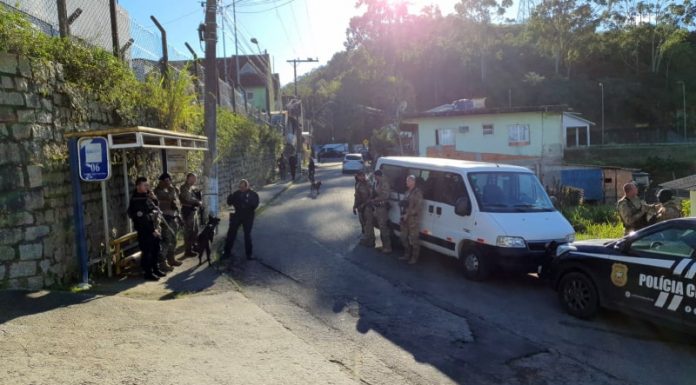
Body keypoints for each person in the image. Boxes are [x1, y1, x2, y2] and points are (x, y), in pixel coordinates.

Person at [128, 177, 165, 281]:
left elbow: (155, 208)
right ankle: (148, 273)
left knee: (156, 250)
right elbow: (143, 219)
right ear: (138, 186)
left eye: (147, 185)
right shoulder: (136, 200)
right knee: (147, 252)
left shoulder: (146, 197)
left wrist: (154, 198)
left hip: (153, 228)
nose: (147, 187)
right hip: (145, 231)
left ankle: (155, 268)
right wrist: (152, 231)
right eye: (145, 185)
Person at [223, 179, 260, 260]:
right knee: (231, 233)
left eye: (243, 187)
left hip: (248, 216)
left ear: (247, 186)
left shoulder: (253, 194)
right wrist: (229, 197)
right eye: (240, 187)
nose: (241, 189)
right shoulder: (236, 193)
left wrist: (246, 201)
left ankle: (249, 254)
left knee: (247, 235)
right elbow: (229, 203)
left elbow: (255, 205)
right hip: (237, 215)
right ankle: (226, 252)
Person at [154, 172, 183, 271]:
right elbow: (169, 197)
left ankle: (171, 259)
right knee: (166, 241)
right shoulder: (158, 191)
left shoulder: (169, 189)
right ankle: (162, 263)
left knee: (174, 240)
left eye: (169, 180)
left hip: (173, 217)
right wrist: (172, 190)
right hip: (164, 219)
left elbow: (176, 202)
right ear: (161, 182)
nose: (168, 183)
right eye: (166, 181)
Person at [361, 169, 392, 253]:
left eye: (375, 176)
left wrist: (375, 199)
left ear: (378, 176)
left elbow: (385, 195)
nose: (374, 178)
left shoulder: (384, 183)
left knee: (383, 227)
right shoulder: (378, 182)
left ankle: (388, 247)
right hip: (377, 207)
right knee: (379, 226)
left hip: (382, 208)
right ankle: (383, 246)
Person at [399, 175, 424, 264]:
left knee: (414, 239)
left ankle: (414, 258)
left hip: (413, 219)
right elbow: (406, 204)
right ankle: (407, 254)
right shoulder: (407, 192)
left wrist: (407, 215)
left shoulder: (417, 193)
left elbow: (418, 207)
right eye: (407, 181)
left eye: (408, 181)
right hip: (404, 218)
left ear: (413, 182)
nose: (406, 182)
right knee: (403, 237)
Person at [179, 173, 202, 257]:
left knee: (195, 230)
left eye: (195, 179)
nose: (194, 181)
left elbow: (196, 196)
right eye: (193, 179)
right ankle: (188, 250)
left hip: (193, 211)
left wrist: (198, 199)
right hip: (187, 211)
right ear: (188, 178)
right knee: (188, 231)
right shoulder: (184, 187)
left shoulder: (192, 188)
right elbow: (188, 198)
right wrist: (197, 201)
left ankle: (194, 246)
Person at [353, 171, 371, 236]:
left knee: (368, 223)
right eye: (360, 176)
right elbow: (356, 196)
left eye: (363, 176)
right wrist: (354, 206)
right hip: (360, 206)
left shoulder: (368, 183)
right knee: (361, 221)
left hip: (367, 206)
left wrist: (364, 205)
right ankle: (364, 234)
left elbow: (371, 196)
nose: (361, 177)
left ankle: (369, 238)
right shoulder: (357, 184)